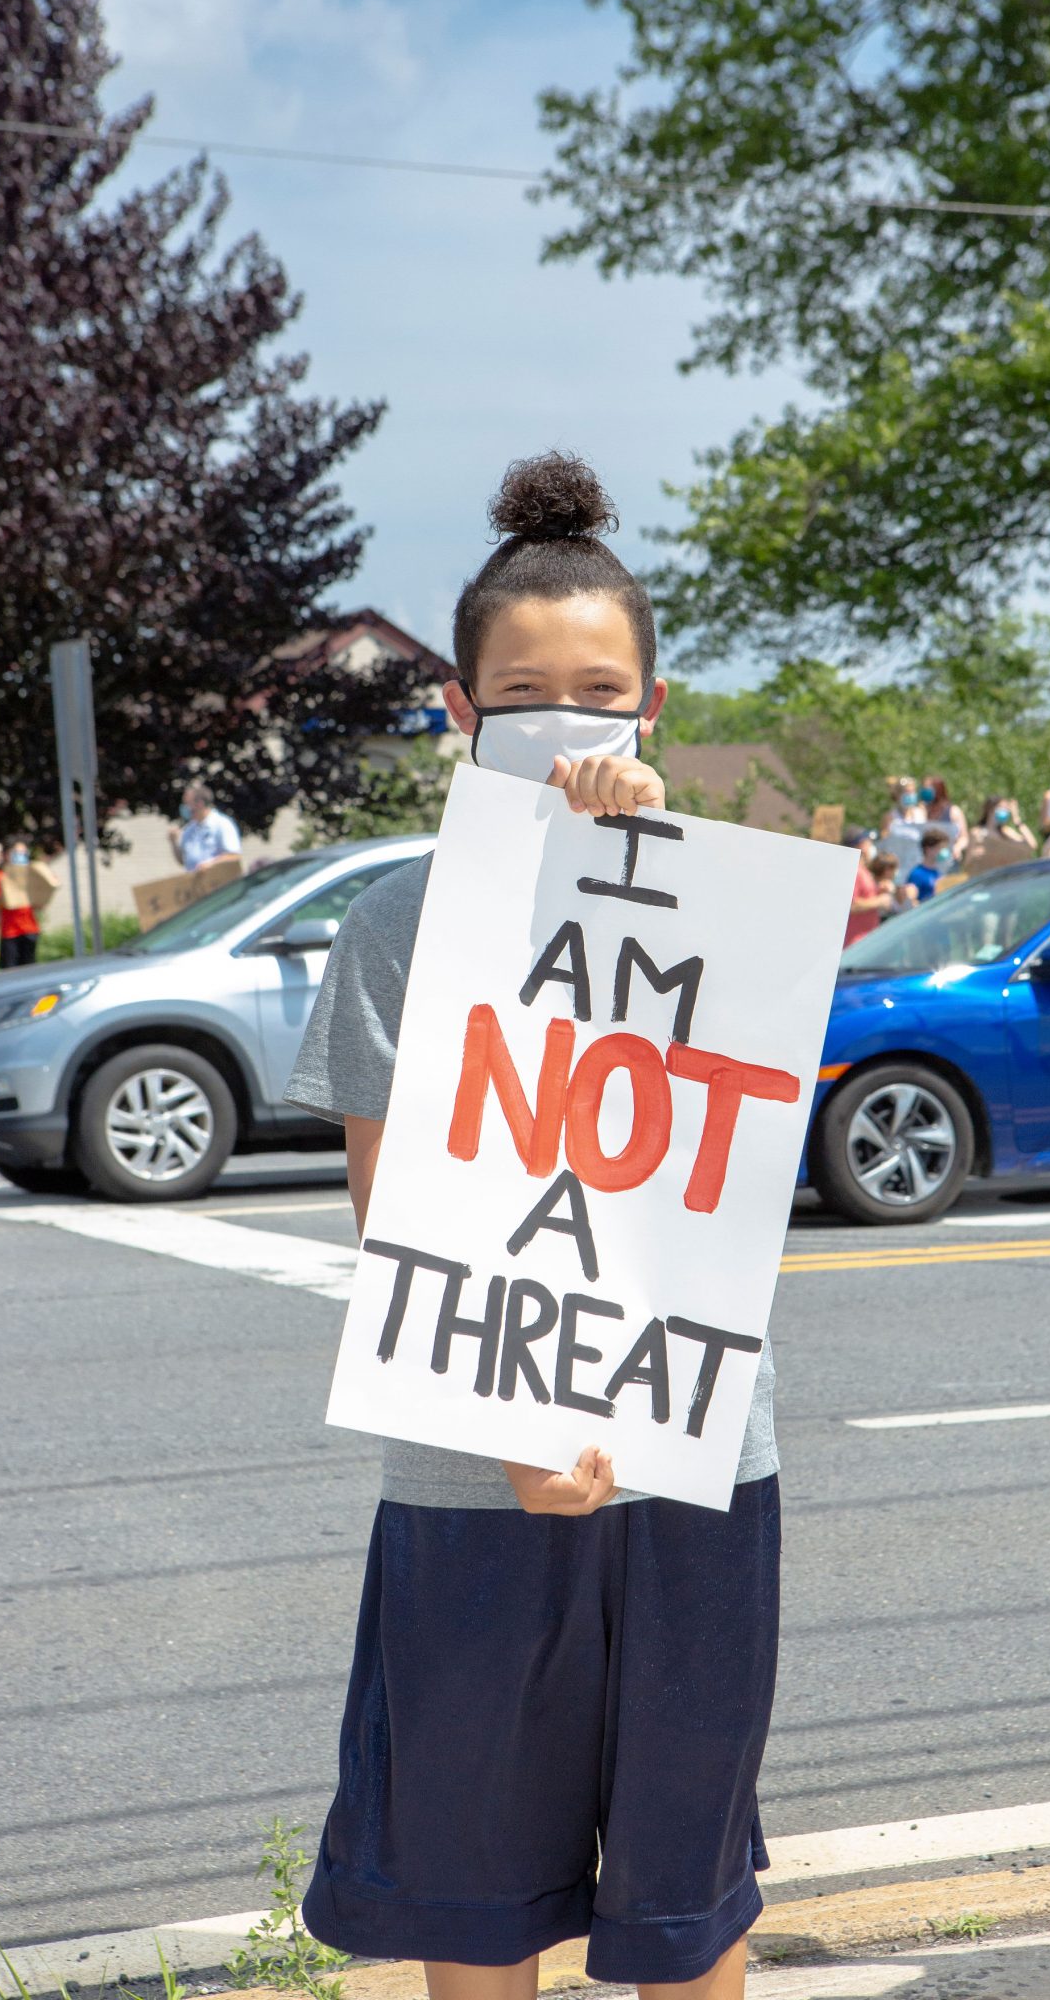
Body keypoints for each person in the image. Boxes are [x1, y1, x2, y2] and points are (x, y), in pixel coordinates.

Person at [283, 453, 779, 2000]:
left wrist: (645, 859)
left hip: (697, 1457)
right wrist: (502, 1422)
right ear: (461, 708)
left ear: (652, 704)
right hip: (471, 1479)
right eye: (525, 691)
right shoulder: (393, 924)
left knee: (688, 1895)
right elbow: (392, 1213)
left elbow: (728, 1129)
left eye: (599, 687)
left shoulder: (717, 893)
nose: (563, 718)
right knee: (471, 1901)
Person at [0, 837, 56, 970]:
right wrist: (5, 890)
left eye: (23, 853)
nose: (20, 856)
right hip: (10, 932)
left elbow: (40, 904)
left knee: (30, 969)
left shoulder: (30, 875)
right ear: (6, 855)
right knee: (10, 970)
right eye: (16, 853)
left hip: (30, 929)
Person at [168, 781, 241, 872]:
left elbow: (233, 856)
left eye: (187, 803)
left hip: (219, 883)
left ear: (200, 803)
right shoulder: (189, 830)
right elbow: (184, 861)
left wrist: (211, 864)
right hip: (195, 884)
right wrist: (174, 843)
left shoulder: (222, 824)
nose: (185, 808)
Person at [843, 830, 892, 945]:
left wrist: (879, 890)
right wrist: (880, 901)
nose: (871, 846)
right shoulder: (855, 870)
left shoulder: (862, 870)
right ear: (861, 845)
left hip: (863, 940)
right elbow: (852, 905)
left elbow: (864, 895)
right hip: (854, 941)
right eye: (868, 842)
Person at [966, 795, 1036, 869]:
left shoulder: (1007, 833)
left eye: (1007, 808)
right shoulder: (977, 833)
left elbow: (1031, 845)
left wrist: (1017, 820)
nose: (1005, 811)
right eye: (1002, 807)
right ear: (991, 809)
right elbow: (968, 862)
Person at [920, 776, 968, 862]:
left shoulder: (953, 811)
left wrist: (957, 848)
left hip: (947, 859)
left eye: (928, 788)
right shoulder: (920, 810)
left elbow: (964, 837)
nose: (925, 791)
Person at [908, 824, 952, 900]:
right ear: (928, 849)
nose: (943, 851)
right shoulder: (917, 874)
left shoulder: (937, 873)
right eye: (940, 848)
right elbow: (911, 900)